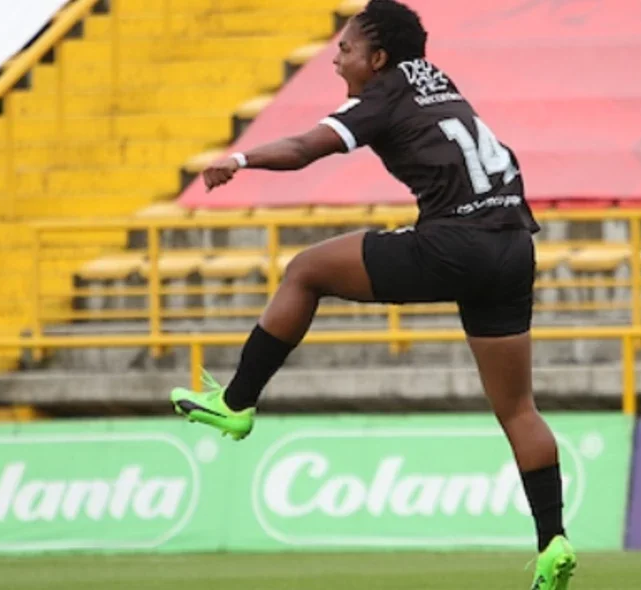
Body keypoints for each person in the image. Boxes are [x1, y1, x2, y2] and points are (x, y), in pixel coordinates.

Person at [169, 1, 576, 587]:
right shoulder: (434, 79)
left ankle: (236, 403)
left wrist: (240, 157)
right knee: (518, 408)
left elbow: (305, 149)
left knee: (305, 270)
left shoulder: (380, 94)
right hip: (513, 243)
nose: (336, 57)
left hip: (456, 241)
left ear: (378, 58)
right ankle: (552, 541)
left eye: (347, 48)